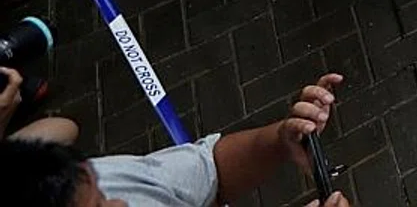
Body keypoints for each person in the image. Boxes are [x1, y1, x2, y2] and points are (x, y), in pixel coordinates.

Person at [0, 71, 352, 206]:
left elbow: (212, 170)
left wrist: (277, 141)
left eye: (103, 198)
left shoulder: (112, 183)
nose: (121, 204)